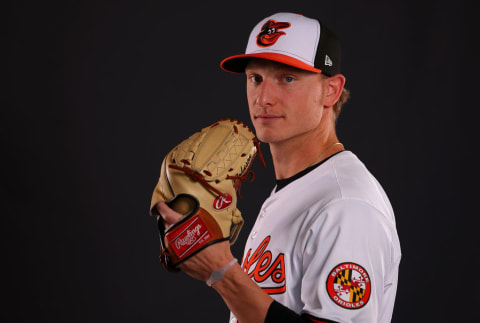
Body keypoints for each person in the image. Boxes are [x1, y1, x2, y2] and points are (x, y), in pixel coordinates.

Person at [156, 12, 401, 323]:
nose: (264, 98)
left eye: (287, 78)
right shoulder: (297, 189)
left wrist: (223, 274)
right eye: (255, 78)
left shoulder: (346, 204)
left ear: (331, 90)